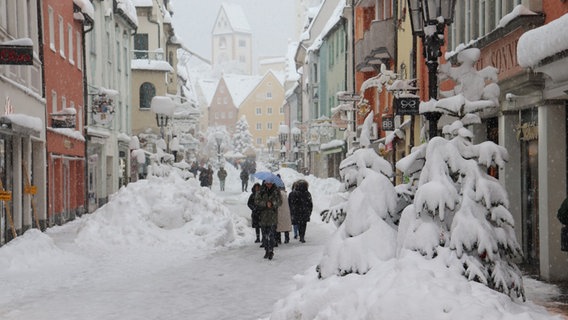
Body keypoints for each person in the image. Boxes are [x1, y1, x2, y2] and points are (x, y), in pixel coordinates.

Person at [254, 181, 282, 260]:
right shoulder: (261, 191)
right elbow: (256, 201)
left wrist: (273, 203)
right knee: (265, 235)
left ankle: (271, 250)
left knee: (271, 235)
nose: (269, 184)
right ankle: (266, 249)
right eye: (267, 183)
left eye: (270, 183)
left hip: (272, 217)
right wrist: (265, 204)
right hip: (263, 217)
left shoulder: (276, 191)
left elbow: (280, 202)